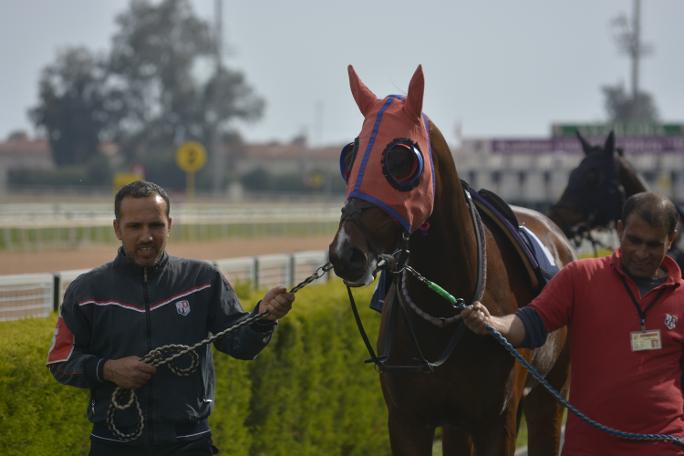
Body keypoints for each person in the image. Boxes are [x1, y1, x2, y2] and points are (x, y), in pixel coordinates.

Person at [47, 180, 295, 455]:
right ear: (117, 229)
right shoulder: (87, 291)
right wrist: (108, 369)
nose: (146, 236)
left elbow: (240, 344)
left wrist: (262, 318)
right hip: (113, 443)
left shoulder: (203, 280)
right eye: (134, 226)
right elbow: (60, 361)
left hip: (189, 442)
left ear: (170, 225)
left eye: (155, 225)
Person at [462, 191, 684, 456]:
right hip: (590, 448)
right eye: (634, 240)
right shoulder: (581, 278)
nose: (641, 253)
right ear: (619, 229)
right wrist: (493, 324)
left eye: (653, 244)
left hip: (666, 447)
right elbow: (532, 321)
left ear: (670, 240)